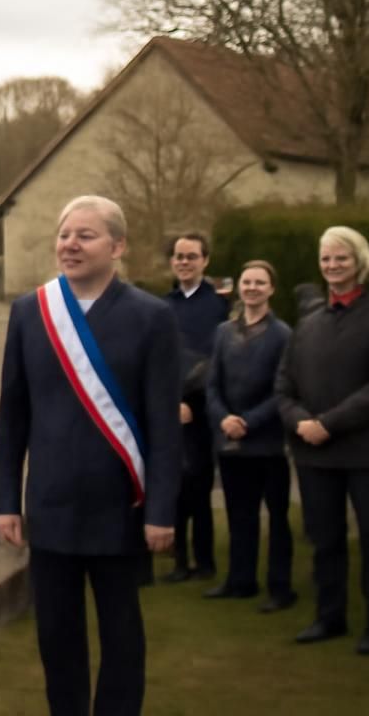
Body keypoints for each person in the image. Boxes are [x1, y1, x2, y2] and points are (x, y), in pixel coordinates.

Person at [0, 195, 181, 716]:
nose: (70, 244)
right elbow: (13, 417)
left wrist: (162, 510)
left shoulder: (152, 317)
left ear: (118, 246)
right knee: (57, 636)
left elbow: (166, 427)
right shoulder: (31, 312)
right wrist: (7, 500)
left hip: (121, 509)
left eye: (86, 235)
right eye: (64, 234)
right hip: (50, 508)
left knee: (122, 635)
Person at [275, 226, 369, 657]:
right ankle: (329, 616)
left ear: (360, 263)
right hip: (316, 454)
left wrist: (329, 422)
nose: (333, 266)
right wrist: (301, 423)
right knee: (325, 539)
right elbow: (283, 386)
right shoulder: (308, 323)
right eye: (327, 259)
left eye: (342, 259)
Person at [202, 260, 296, 611]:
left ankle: (280, 589)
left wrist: (249, 421)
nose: (252, 287)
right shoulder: (223, 332)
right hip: (230, 442)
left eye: (260, 282)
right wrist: (224, 418)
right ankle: (240, 581)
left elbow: (283, 389)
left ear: (271, 289)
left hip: (267, 442)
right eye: (247, 281)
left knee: (277, 516)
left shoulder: (283, 334)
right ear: (239, 286)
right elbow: (212, 384)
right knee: (240, 515)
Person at [162, 232, 227, 583]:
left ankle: (205, 562)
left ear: (205, 261)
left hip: (203, 408)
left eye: (191, 256)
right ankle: (178, 560)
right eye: (178, 256)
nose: (184, 262)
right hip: (169, 408)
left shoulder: (218, 305)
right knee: (174, 486)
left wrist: (193, 402)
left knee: (199, 487)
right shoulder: (163, 306)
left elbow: (217, 358)